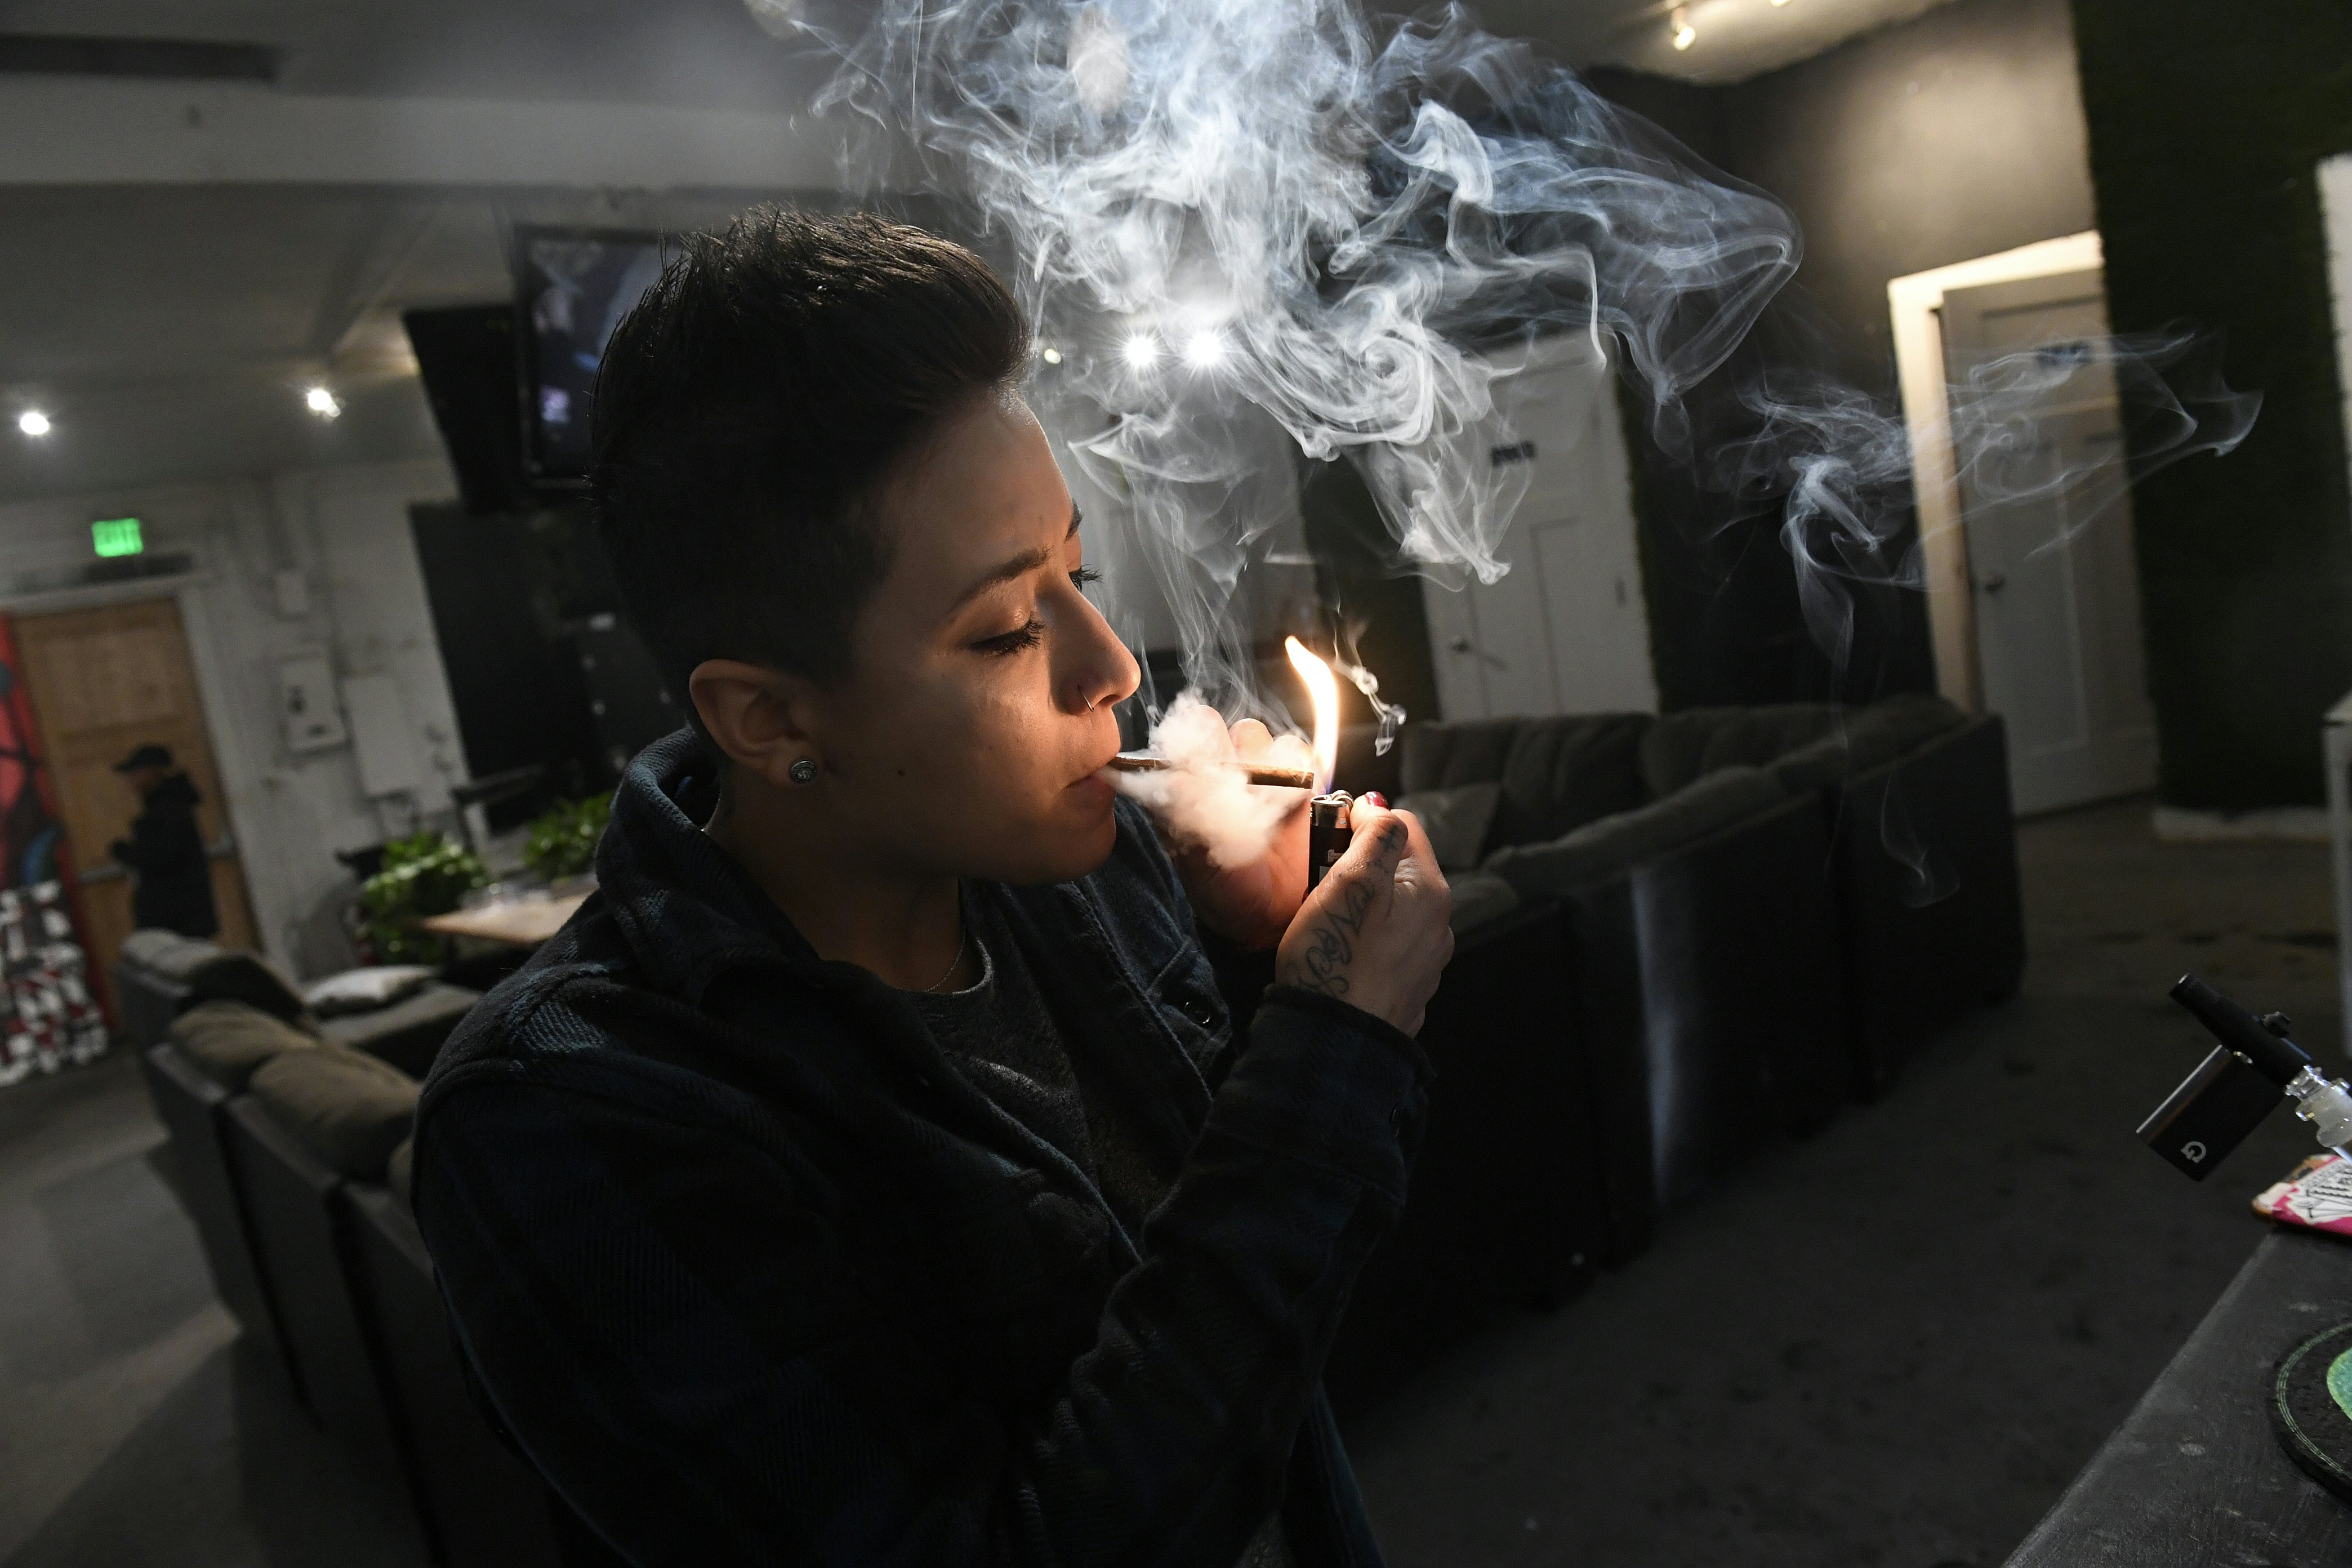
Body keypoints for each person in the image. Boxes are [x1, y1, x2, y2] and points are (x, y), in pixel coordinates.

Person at [411, 207, 1454, 1567]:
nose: (1112, 669)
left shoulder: (1082, 870)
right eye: (1008, 627)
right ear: (773, 719)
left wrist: (1272, 963)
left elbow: (1245, 1314)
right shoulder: (566, 1111)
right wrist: (1332, 1056)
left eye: (1078, 570)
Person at [109, 743, 217, 938]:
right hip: (182, 918)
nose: (131, 780)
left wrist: (123, 852)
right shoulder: (170, 806)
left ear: (151, 772)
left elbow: (160, 859)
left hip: (175, 920)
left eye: (135, 772)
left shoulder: (167, 811)